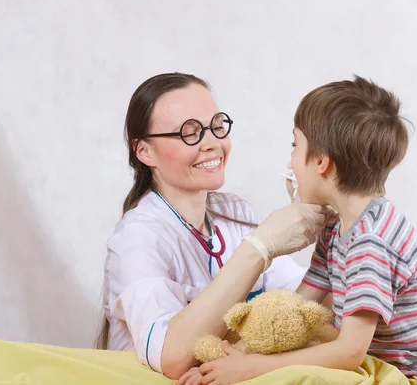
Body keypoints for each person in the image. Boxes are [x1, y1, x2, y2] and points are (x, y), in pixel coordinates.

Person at [198, 76, 417, 385]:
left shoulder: (371, 242)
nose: (290, 160)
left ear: (321, 162)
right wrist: (242, 352)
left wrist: (252, 368)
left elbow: (351, 352)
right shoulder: (337, 224)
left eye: (295, 145)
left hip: (394, 373)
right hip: (358, 355)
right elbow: (301, 308)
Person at [96, 73, 328, 382]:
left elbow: (300, 308)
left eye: (217, 126)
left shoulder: (234, 213)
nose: (212, 143)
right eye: (190, 132)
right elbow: (173, 357)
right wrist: (257, 249)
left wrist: (337, 236)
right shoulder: (137, 239)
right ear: (144, 151)